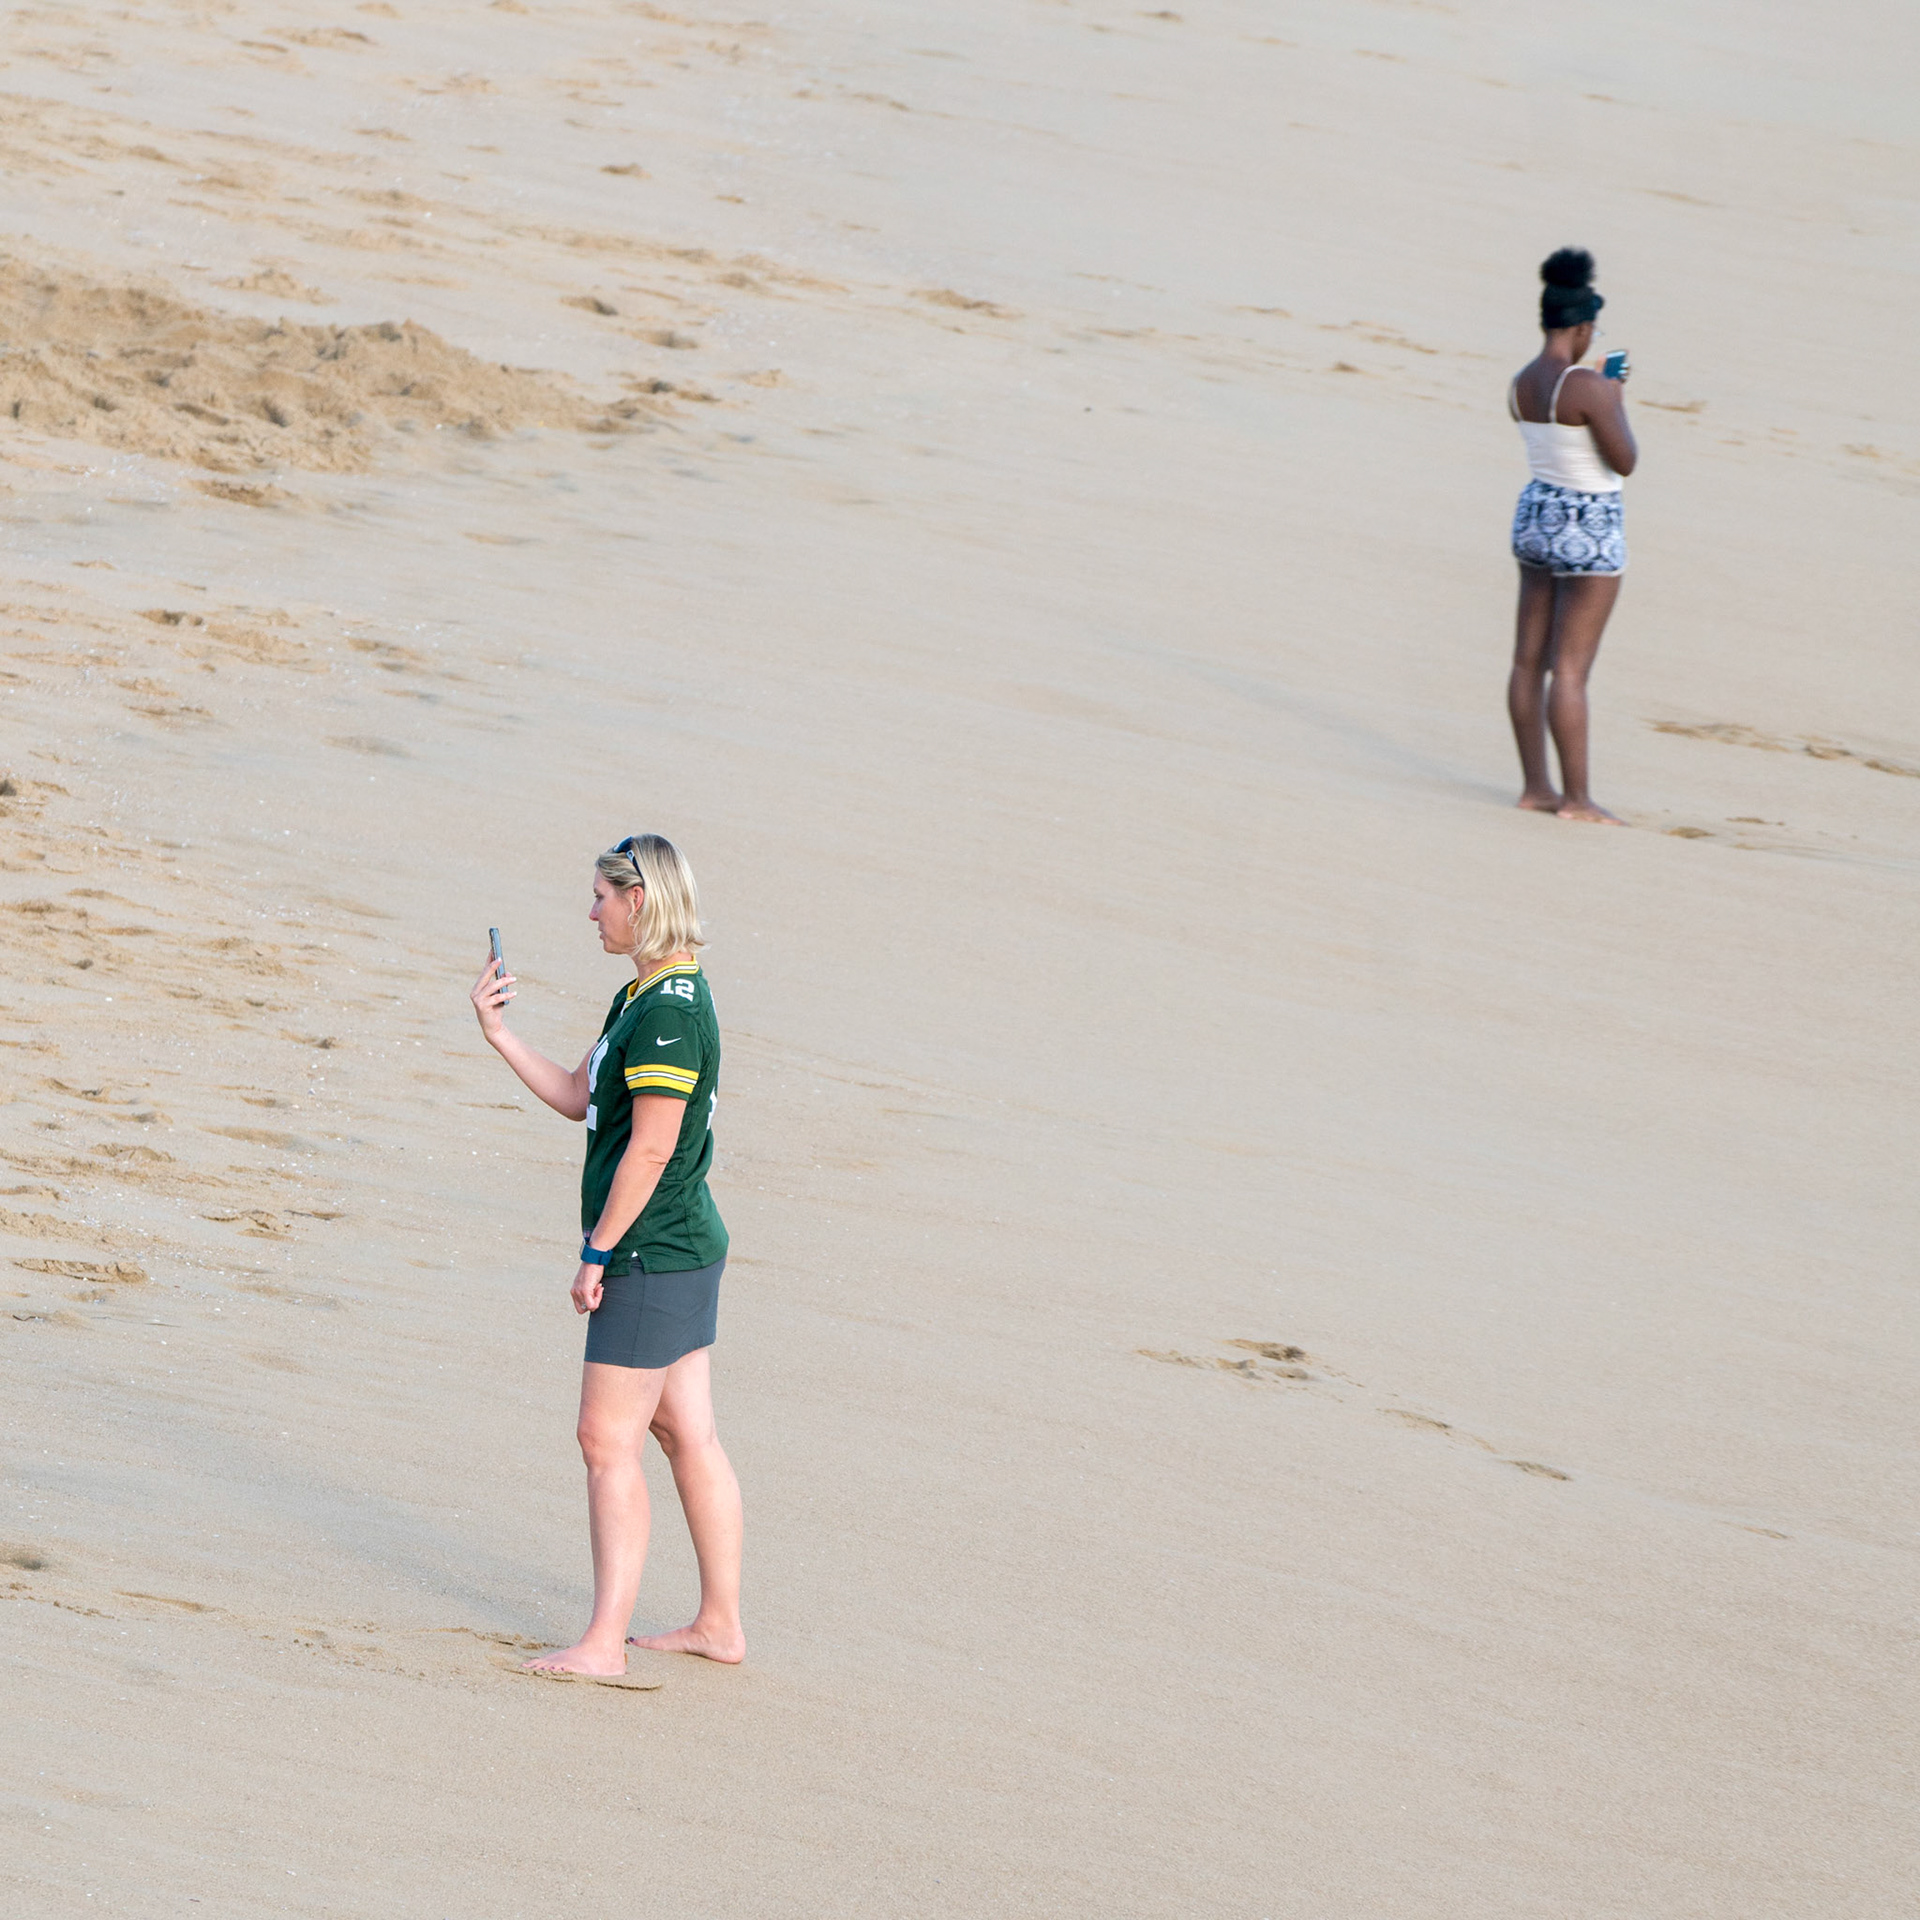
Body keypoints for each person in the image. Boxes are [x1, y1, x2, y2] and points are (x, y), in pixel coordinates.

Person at [470, 832, 744, 1675]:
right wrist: (499, 1033)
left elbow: (652, 1149)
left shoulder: (666, 1014)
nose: (591, 911)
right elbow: (580, 1096)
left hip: (652, 1253)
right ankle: (719, 1625)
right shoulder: (645, 996)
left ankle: (603, 1644)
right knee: (684, 1429)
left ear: (640, 901)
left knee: (604, 1440)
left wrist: (598, 1250)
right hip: (686, 1245)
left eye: (602, 896)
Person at [1506, 247, 1638, 823]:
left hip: (1536, 511)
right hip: (1588, 520)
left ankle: (1538, 788)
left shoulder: (1520, 383)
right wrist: (1615, 394)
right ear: (1582, 327)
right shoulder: (1584, 383)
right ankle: (1579, 800)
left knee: (1527, 662)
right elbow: (1624, 459)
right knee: (1573, 669)